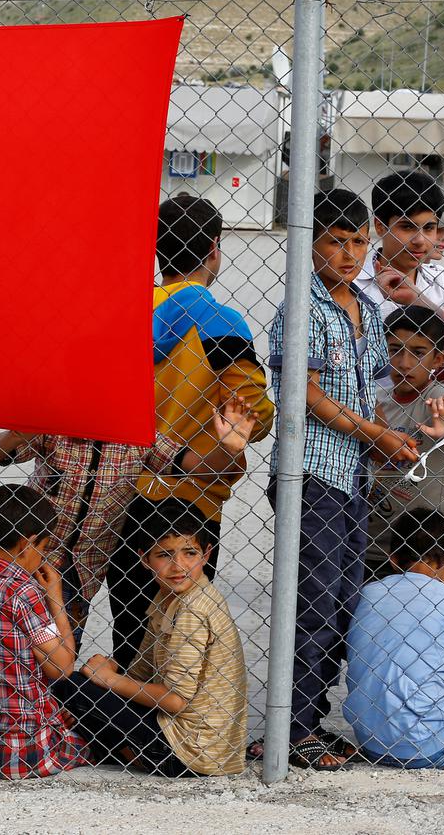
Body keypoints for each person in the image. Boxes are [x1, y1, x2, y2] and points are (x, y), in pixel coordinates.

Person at [264, 188, 421, 770]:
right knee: (313, 598)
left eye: (359, 241)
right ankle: (293, 727)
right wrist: (373, 436)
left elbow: (372, 392)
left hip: (353, 474)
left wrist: (388, 438)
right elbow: (302, 396)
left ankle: (310, 718)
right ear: (311, 244)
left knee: (343, 599)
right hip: (311, 473)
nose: (350, 253)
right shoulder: (299, 307)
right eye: (336, 240)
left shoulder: (366, 307)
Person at [107, 194, 275, 668]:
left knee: (130, 627)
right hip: (192, 495)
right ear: (214, 249)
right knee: (180, 632)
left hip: (121, 490)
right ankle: (169, 736)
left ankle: (126, 735)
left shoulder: (124, 311)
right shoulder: (220, 322)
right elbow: (253, 414)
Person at [0, 394, 257, 648]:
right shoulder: (56, 429)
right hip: (27, 556)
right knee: (1, 641)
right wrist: (14, 436)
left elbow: (201, 468)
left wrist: (230, 449)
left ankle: (44, 701)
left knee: (59, 649)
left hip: (82, 570)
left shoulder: (137, 436)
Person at [54, 500, 248, 777]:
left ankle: (120, 752)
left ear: (207, 555)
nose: (178, 566)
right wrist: (109, 673)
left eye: (189, 553)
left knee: (71, 685)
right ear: (144, 558)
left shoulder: (193, 609)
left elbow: (175, 701)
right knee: (86, 686)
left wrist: (108, 679)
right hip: (180, 734)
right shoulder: (166, 597)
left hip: (190, 753)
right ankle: (114, 748)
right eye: (165, 555)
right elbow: (140, 672)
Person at [0, 484, 86, 779]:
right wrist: (55, 597)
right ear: (28, 544)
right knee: (96, 730)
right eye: (44, 549)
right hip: (27, 750)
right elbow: (62, 667)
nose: (44, 558)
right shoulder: (24, 592)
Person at [344, 508, 444, 768]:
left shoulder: (368, 595)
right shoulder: (443, 599)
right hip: (430, 746)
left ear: (393, 559)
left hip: (371, 742)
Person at [369, 306, 444, 581]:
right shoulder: (374, 398)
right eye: (394, 349)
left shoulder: (440, 401)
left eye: (417, 352)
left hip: (427, 556)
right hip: (372, 543)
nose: (404, 363)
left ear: (438, 359)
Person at [356, 171, 444, 319]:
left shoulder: (442, 281)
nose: (420, 240)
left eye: (429, 228)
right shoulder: (354, 283)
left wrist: (418, 300)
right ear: (380, 226)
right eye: (407, 227)